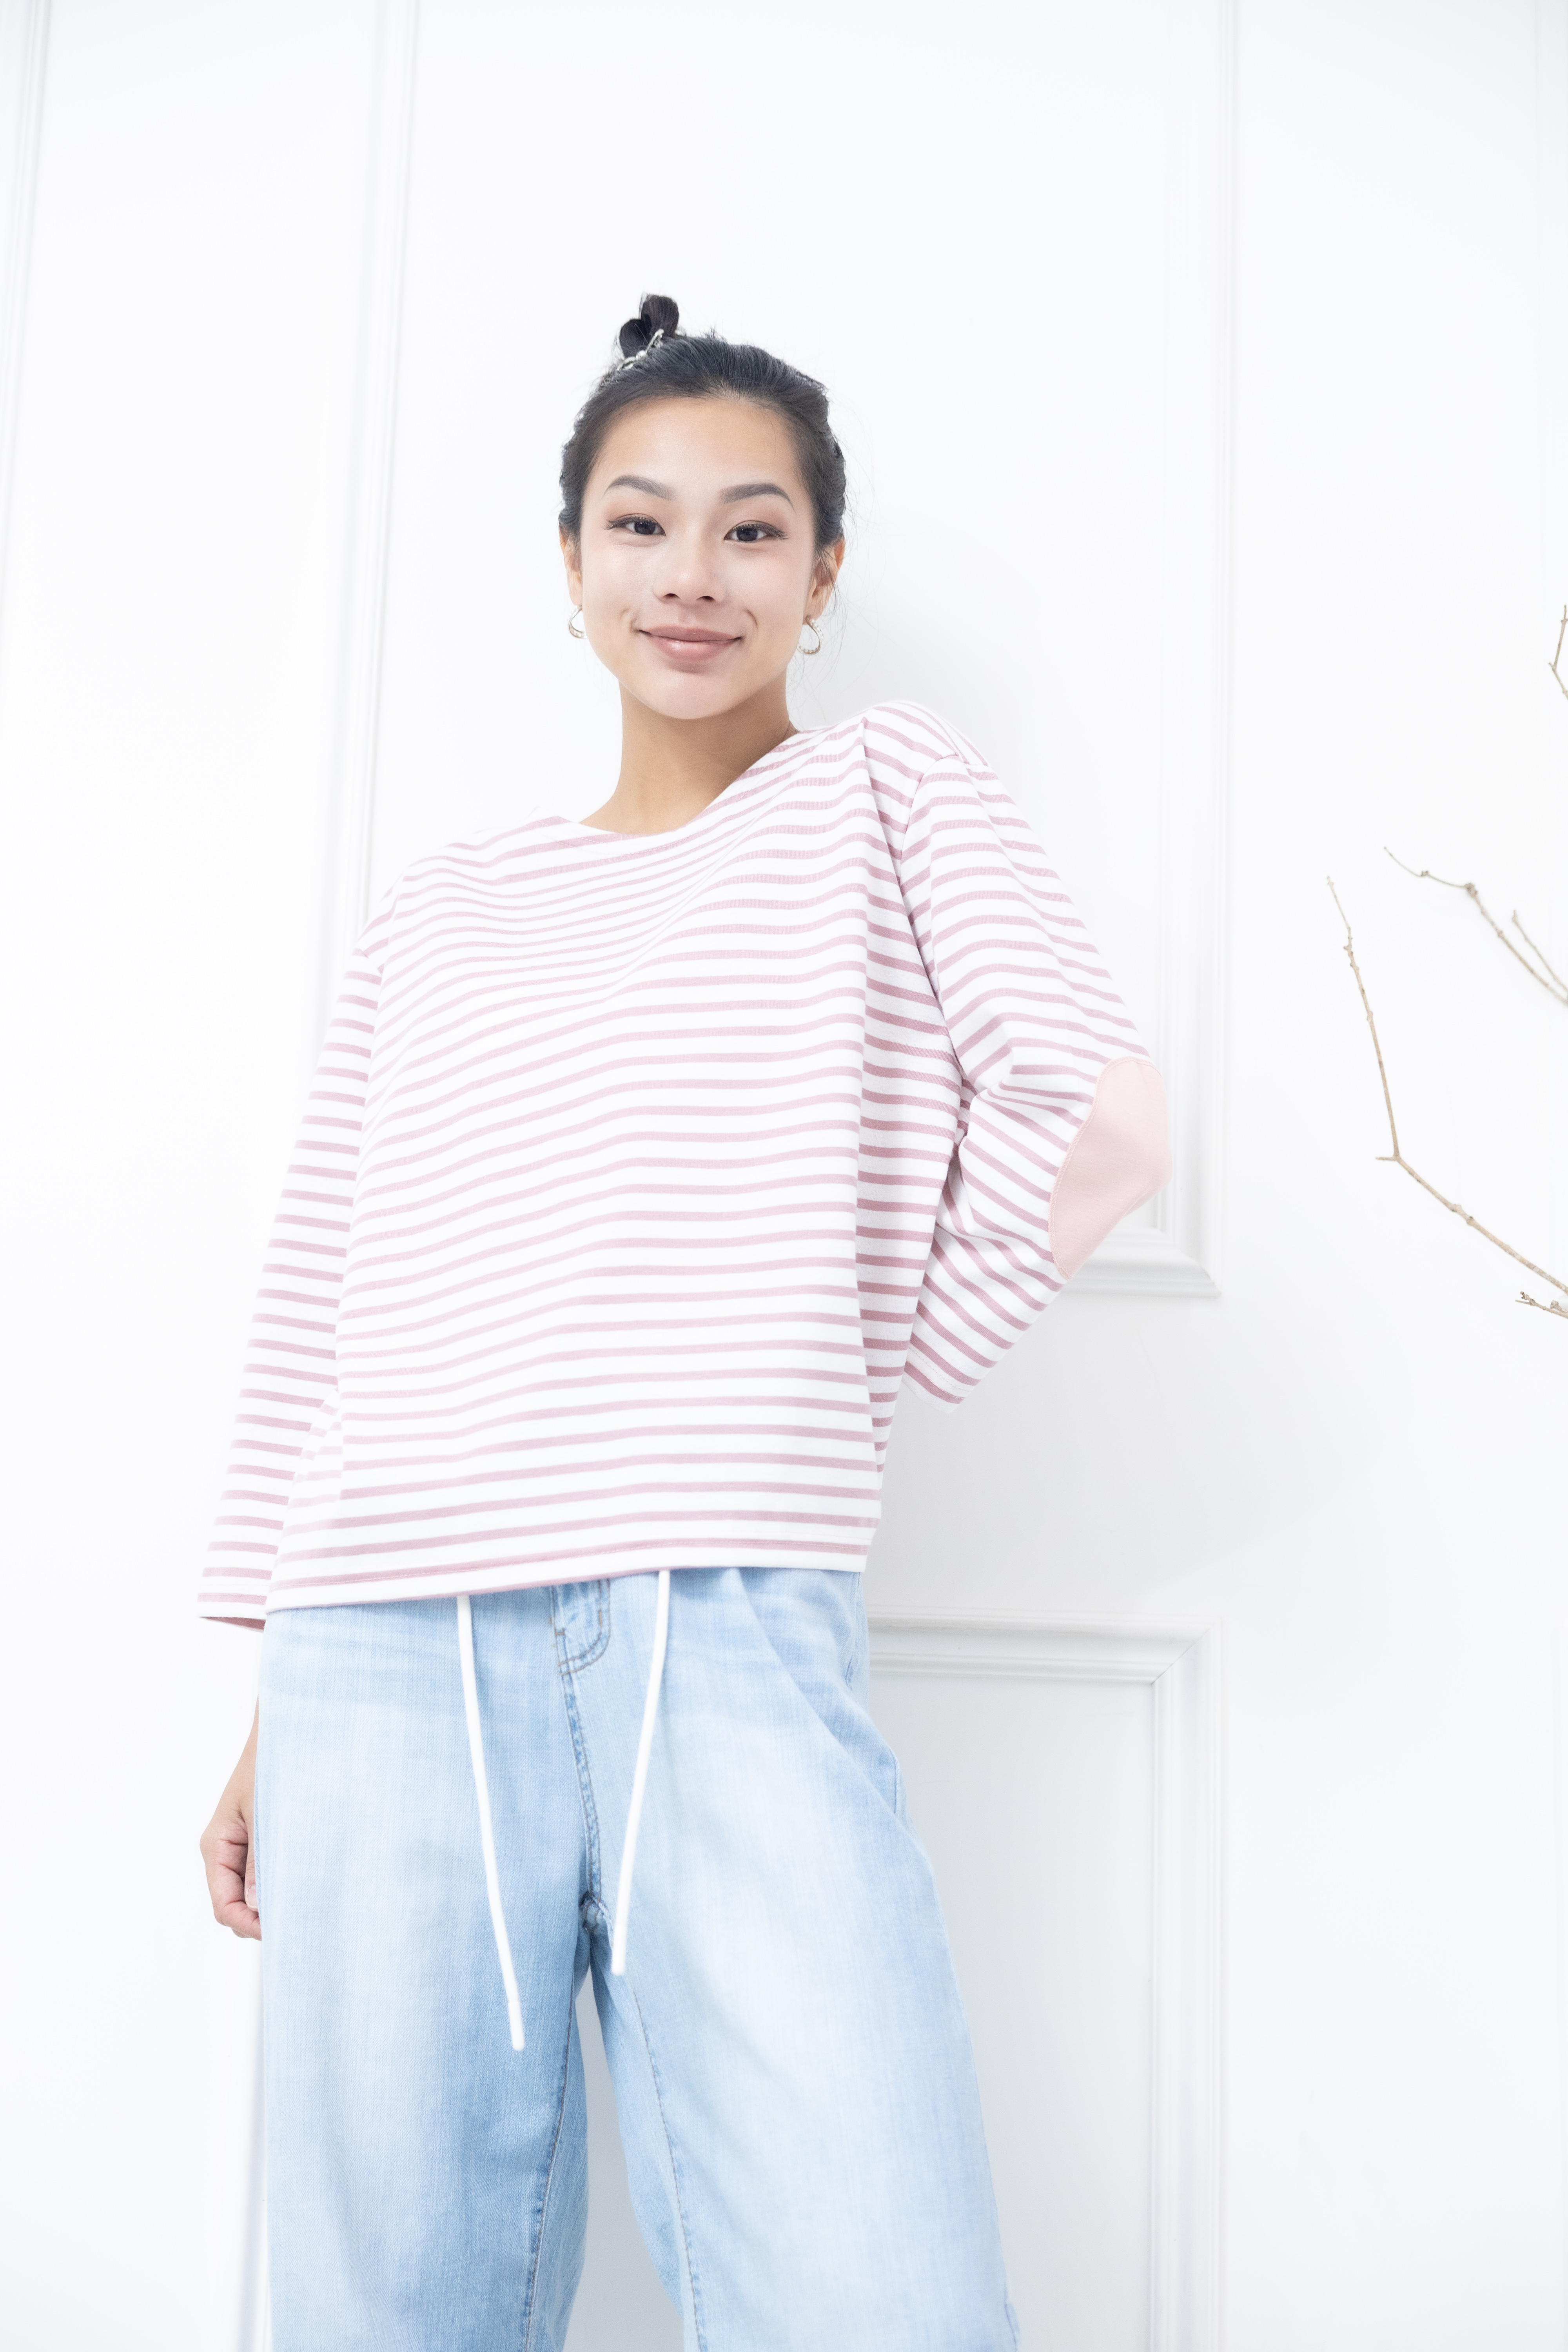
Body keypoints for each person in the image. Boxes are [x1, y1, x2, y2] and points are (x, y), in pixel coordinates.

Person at [198, 292, 1170, 2352]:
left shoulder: (881, 792)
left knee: (881, 2292)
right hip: (384, 1650)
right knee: (386, 2307)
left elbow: (1092, 1106)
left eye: (752, 528)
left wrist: (856, 1358)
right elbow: (332, 1292)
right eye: (640, 524)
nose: (692, 575)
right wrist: (276, 1702)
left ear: (826, 569)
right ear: (570, 566)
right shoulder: (443, 906)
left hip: (719, 1626)